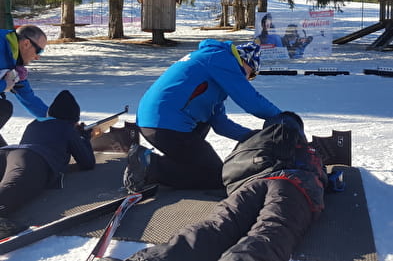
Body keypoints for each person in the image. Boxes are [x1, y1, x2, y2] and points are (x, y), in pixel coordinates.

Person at [110, 112, 329, 261]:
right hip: (293, 185)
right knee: (272, 228)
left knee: (217, 226)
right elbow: (322, 178)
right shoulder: (306, 148)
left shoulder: (256, 140)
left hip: (250, 185)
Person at [123, 39, 282, 193]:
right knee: (213, 177)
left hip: (158, 122)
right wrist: (281, 118)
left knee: (210, 161)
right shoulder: (222, 59)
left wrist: (256, 137)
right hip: (165, 124)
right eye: (252, 73)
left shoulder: (213, 64)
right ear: (245, 61)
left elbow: (220, 124)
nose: (249, 78)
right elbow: (250, 100)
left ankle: (172, 163)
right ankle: (150, 166)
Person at [0, 90, 96, 239]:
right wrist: (84, 138)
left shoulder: (34, 123)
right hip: (33, 159)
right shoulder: (66, 128)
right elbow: (87, 163)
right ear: (72, 119)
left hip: (8, 152)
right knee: (10, 190)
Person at [0, 25, 49, 146]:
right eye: (39, 51)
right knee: (3, 108)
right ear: (26, 43)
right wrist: (4, 84)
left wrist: (56, 119)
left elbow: (28, 97)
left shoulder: (14, 57)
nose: (37, 57)